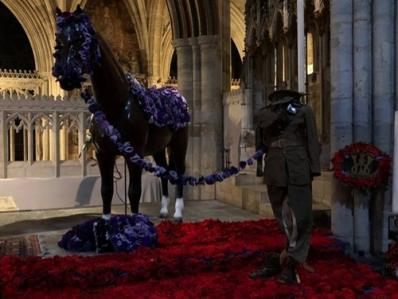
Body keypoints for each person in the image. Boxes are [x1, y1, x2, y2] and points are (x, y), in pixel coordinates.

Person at [250, 89, 321, 284]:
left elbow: (259, 146)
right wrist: (313, 167)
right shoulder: (299, 111)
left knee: (301, 215)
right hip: (287, 166)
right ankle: (289, 258)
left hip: (286, 166)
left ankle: (290, 264)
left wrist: (314, 167)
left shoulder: (301, 112)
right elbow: (311, 141)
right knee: (284, 216)